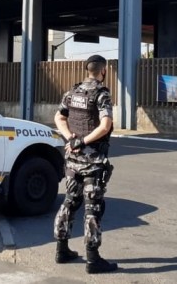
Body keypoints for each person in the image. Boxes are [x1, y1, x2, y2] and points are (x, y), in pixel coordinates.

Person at [53, 55, 118, 274]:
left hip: (73, 159)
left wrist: (70, 139)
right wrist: (82, 141)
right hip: (93, 162)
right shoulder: (101, 93)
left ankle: (61, 250)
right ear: (104, 70)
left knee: (70, 202)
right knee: (93, 209)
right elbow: (105, 125)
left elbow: (59, 118)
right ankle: (93, 259)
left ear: (86, 69)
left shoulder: (73, 92)